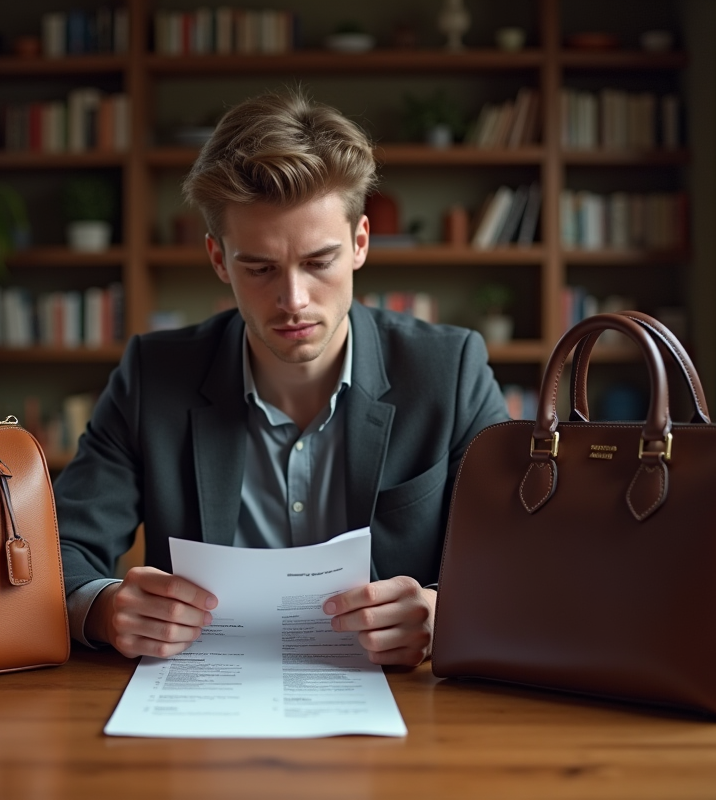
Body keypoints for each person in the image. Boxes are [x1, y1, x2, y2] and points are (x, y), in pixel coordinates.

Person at [54, 89, 509, 666]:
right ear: (219, 260)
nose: (293, 300)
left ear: (360, 243)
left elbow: (524, 556)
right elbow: (60, 548)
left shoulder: (449, 370)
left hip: (403, 710)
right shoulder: (152, 374)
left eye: (318, 263)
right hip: (197, 708)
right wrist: (104, 607)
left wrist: (448, 613)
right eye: (260, 267)